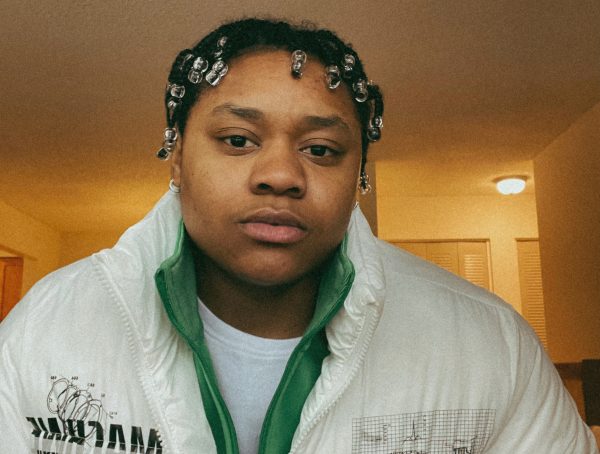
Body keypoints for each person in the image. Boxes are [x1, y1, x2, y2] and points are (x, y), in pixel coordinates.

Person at [0, 18, 597, 454]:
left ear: (358, 174)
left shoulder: (489, 346)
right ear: (176, 158)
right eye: (238, 140)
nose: (281, 175)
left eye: (321, 149)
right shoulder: (47, 329)